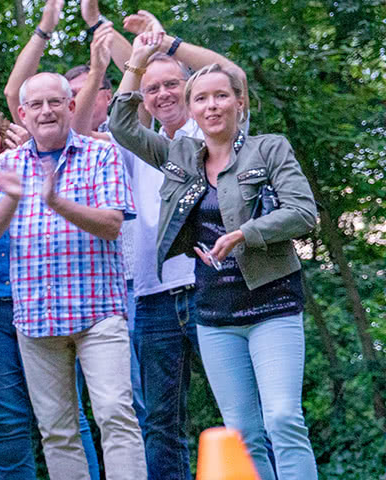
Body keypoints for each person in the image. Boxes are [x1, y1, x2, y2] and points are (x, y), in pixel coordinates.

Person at [113, 39, 322, 479]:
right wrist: (135, 63)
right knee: (242, 434)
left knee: (282, 418)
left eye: (221, 95)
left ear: (239, 102)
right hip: (215, 316)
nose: (212, 106)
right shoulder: (180, 156)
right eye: (202, 98)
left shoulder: (268, 149)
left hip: (272, 306)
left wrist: (246, 234)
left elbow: (303, 212)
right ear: (191, 109)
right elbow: (122, 125)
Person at [0, 72, 146, 480]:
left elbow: (111, 224)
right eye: (36, 104)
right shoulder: (7, 164)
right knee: (56, 430)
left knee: (114, 415)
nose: (46, 111)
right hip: (36, 320)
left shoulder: (101, 155)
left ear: (71, 107)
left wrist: (56, 201)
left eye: (55, 102)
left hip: (98, 313)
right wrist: (13, 198)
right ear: (23, 113)